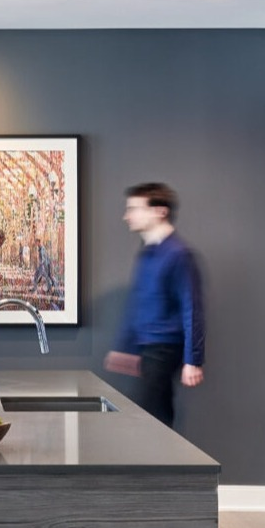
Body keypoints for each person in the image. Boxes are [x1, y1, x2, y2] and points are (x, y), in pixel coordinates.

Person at [104, 182, 205, 428]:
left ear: (159, 211)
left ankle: (161, 465)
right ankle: (163, 465)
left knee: (149, 419)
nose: (127, 216)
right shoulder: (148, 252)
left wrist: (193, 360)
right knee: (156, 418)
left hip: (164, 349)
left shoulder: (179, 254)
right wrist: (126, 348)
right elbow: (138, 302)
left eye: (135, 208)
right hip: (147, 349)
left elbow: (192, 308)